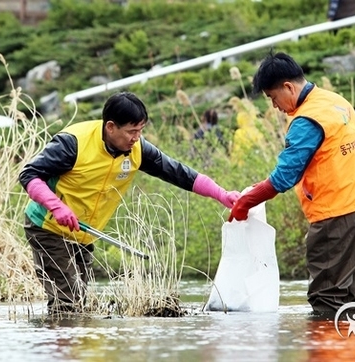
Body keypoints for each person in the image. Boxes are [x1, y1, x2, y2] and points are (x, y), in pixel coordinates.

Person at [20, 92, 241, 314]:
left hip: (83, 232)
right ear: (110, 127)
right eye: (132, 131)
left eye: (140, 130)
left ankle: (69, 345)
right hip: (47, 226)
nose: (137, 138)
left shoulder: (138, 149)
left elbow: (180, 173)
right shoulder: (72, 143)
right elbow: (29, 174)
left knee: (77, 302)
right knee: (67, 302)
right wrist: (56, 206)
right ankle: (53, 343)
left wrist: (222, 195)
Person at [228, 52, 355, 317]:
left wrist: (246, 202)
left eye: (273, 98)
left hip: (337, 219)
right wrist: (260, 187)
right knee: (352, 298)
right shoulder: (335, 102)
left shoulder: (307, 119)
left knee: (327, 299)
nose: (275, 106)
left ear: (288, 87)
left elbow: (284, 177)